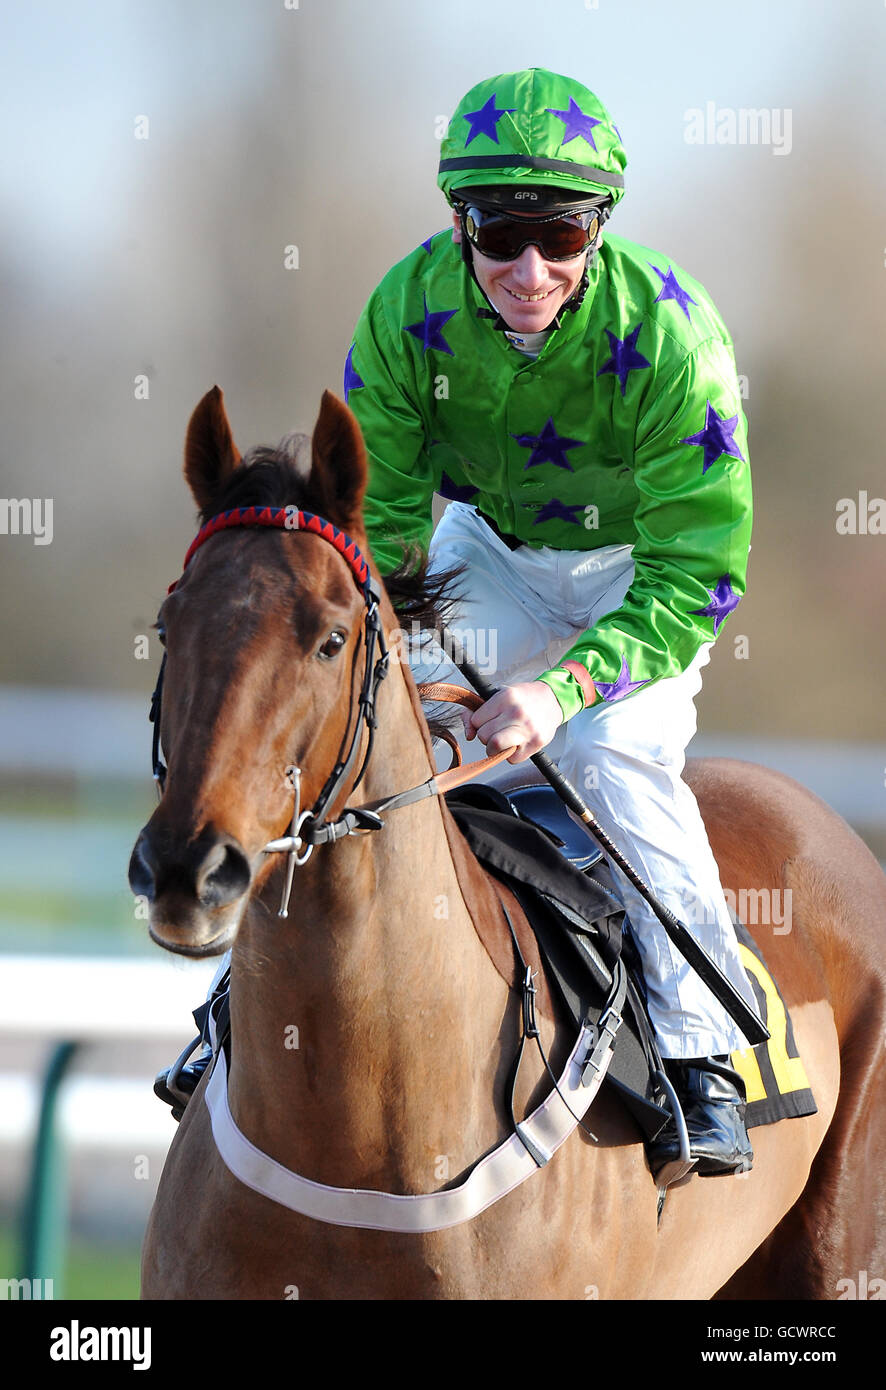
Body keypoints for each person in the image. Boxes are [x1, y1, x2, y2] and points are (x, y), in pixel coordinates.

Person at [341, 67, 759, 1178]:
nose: (530, 269)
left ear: (600, 226)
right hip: (487, 552)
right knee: (395, 750)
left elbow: (697, 575)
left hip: (639, 578)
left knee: (612, 760)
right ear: (458, 223)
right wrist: (423, 669)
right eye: (500, 232)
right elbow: (377, 528)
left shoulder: (674, 338)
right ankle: (238, 1006)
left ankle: (697, 1057)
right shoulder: (403, 313)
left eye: (561, 233)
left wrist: (562, 689)